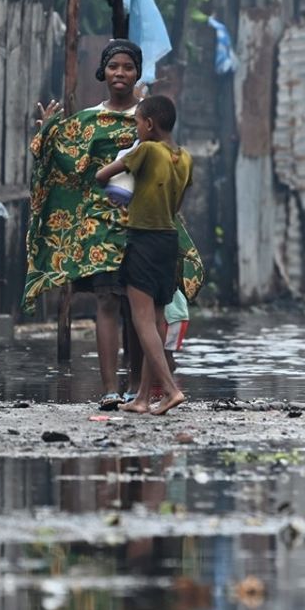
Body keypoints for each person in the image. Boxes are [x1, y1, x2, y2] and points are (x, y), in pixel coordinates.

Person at [25, 41, 203, 411]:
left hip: (143, 224)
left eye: (127, 67)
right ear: (103, 72)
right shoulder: (88, 120)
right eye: (113, 67)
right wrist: (48, 132)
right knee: (107, 300)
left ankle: (138, 387)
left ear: (138, 73)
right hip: (98, 223)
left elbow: (165, 168)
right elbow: (67, 163)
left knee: (137, 307)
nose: (119, 73)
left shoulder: (150, 117)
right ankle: (110, 389)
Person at [96, 95, 191, 416]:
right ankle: (142, 398)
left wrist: (123, 167)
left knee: (142, 319)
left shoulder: (146, 150)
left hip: (144, 239)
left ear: (149, 124)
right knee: (159, 320)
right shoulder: (184, 158)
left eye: (137, 122)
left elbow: (102, 176)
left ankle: (170, 389)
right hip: (168, 240)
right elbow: (176, 206)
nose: (135, 128)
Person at [163, 289, 189, 374]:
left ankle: (168, 381)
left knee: (166, 352)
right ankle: (167, 380)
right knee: (165, 352)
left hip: (173, 317)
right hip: (174, 316)